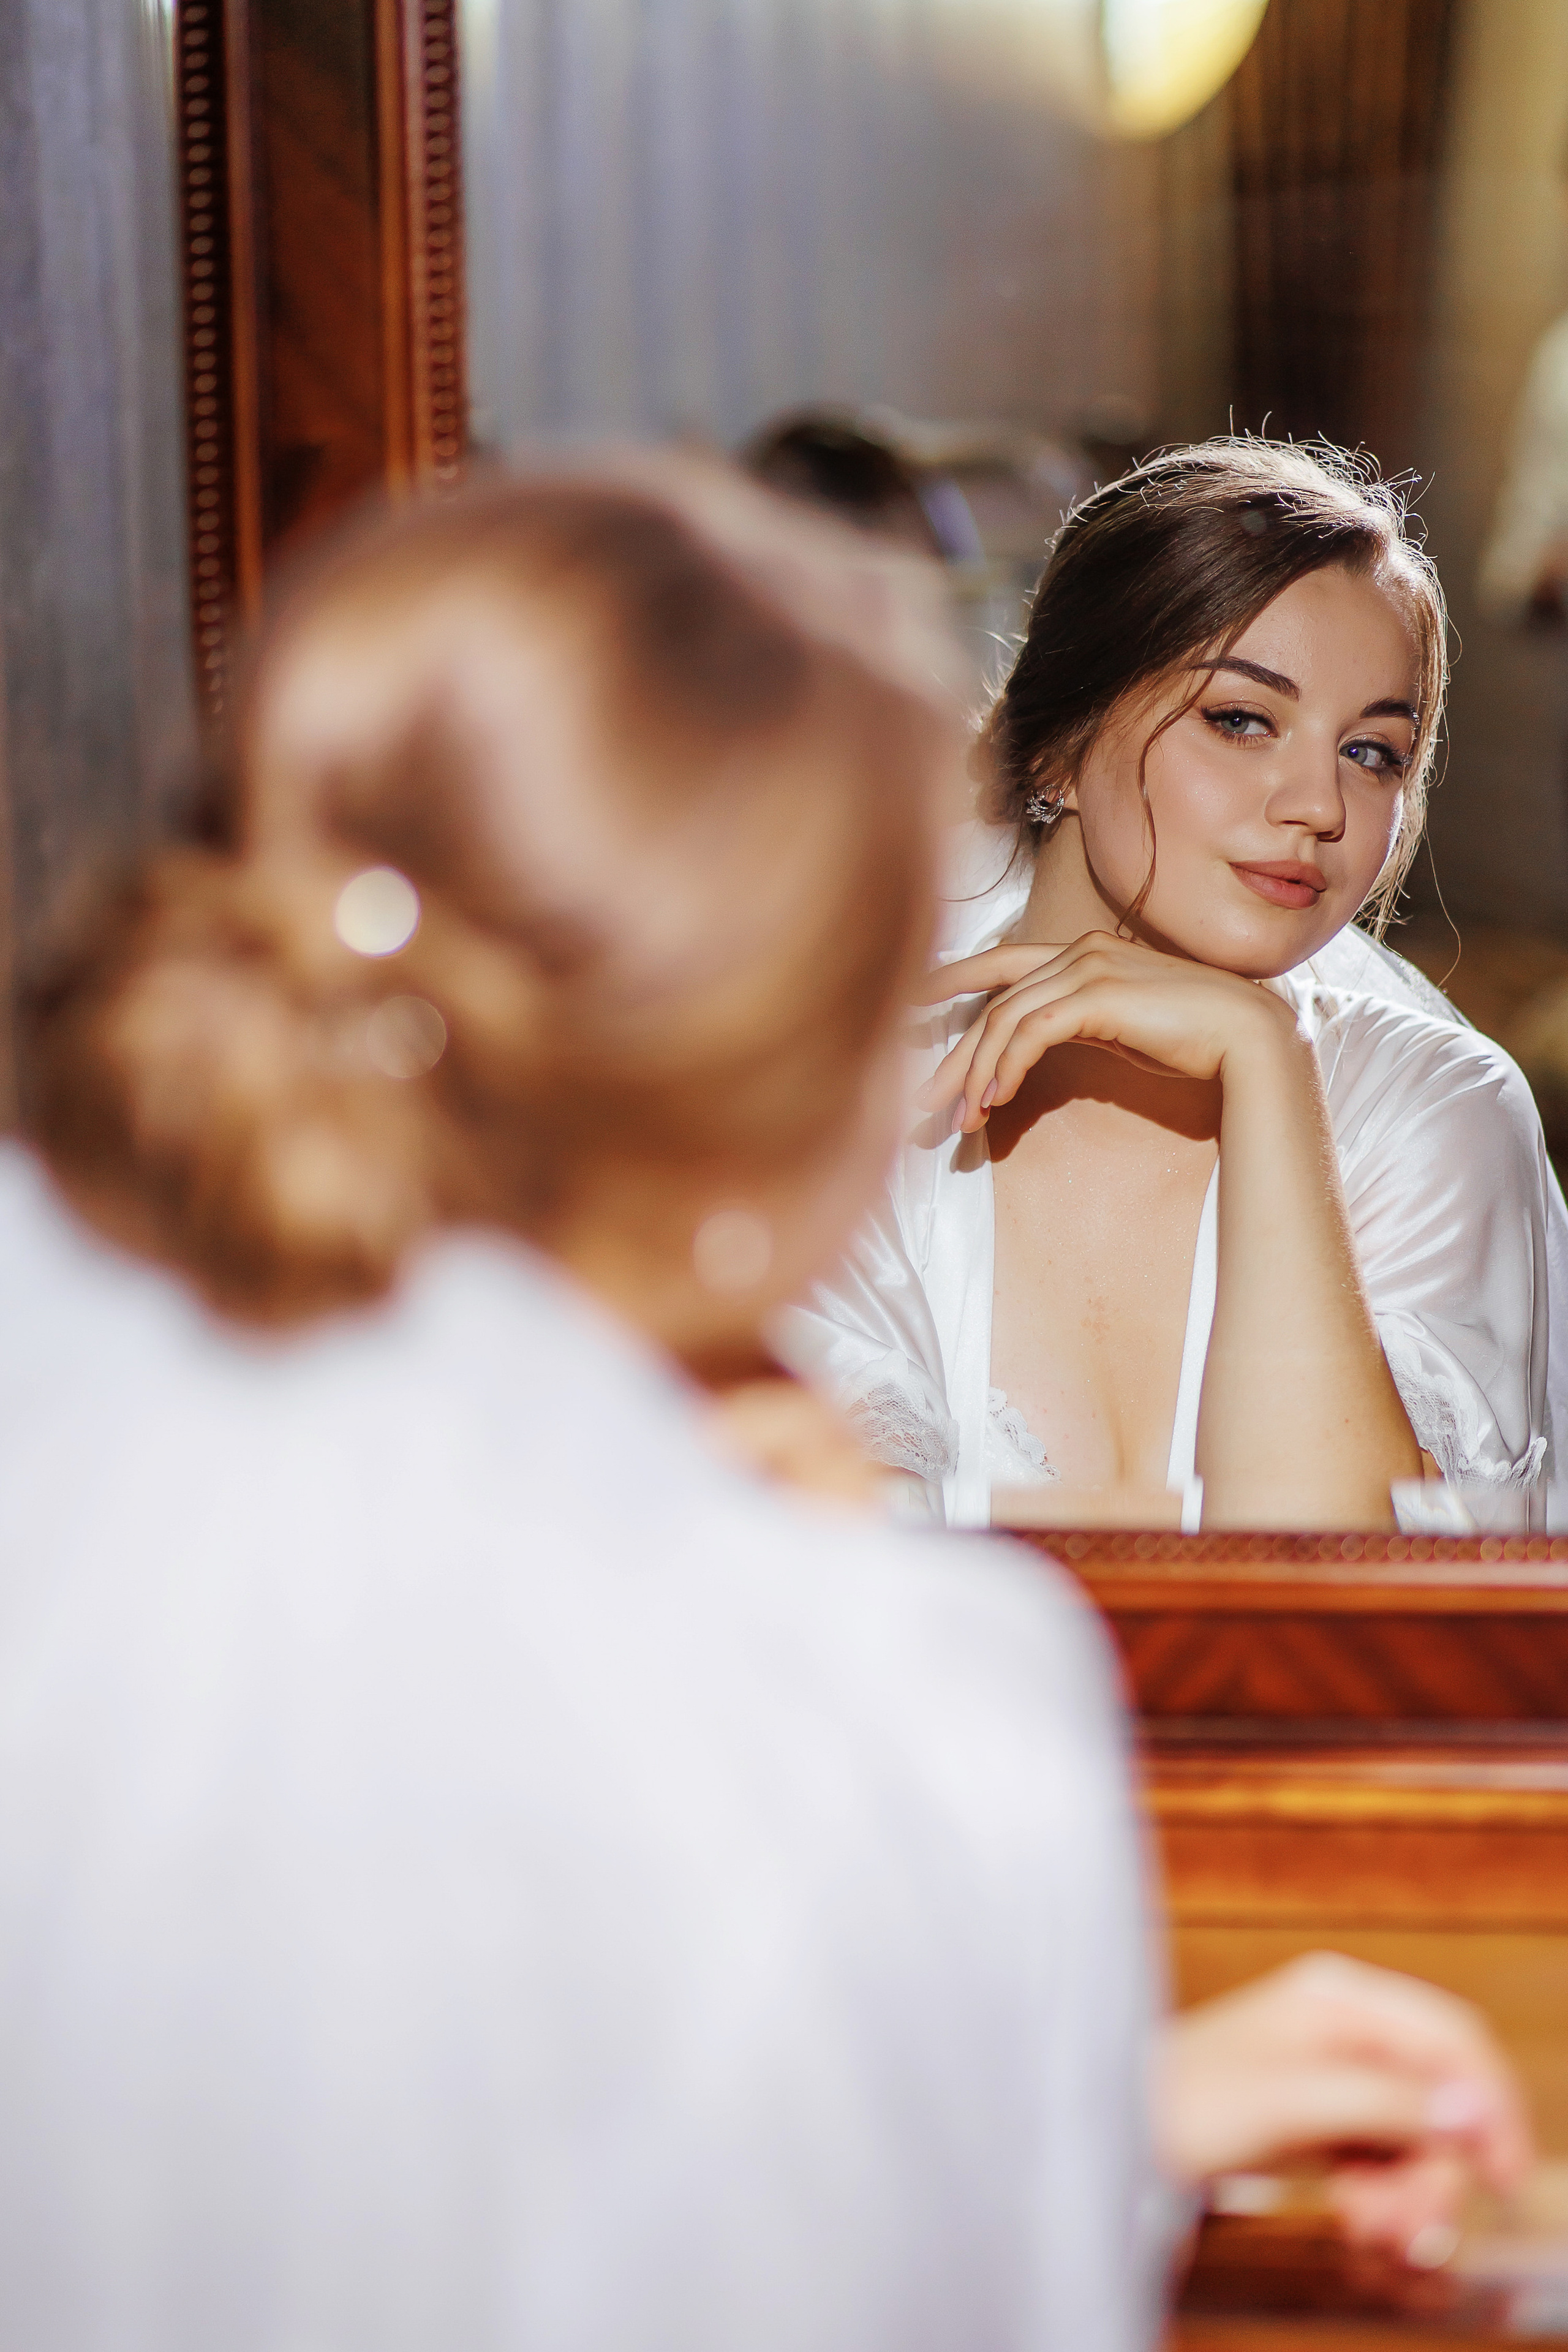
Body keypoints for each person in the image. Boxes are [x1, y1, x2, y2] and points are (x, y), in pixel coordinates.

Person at [0, 458, 1529, 2351]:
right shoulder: (904, 1703)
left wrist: (1111, 2114)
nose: (1315, 802)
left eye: (1377, 749)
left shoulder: (67, 1404)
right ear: (826, 1104)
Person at [784, 437, 1568, 1530]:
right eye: (1241, 719)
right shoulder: (850, 1104)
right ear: (1056, 746)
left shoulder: (1434, 1111)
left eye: (1374, 752)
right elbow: (831, 1609)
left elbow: (1344, 1635)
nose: (1318, 807)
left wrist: (1267, 1068)